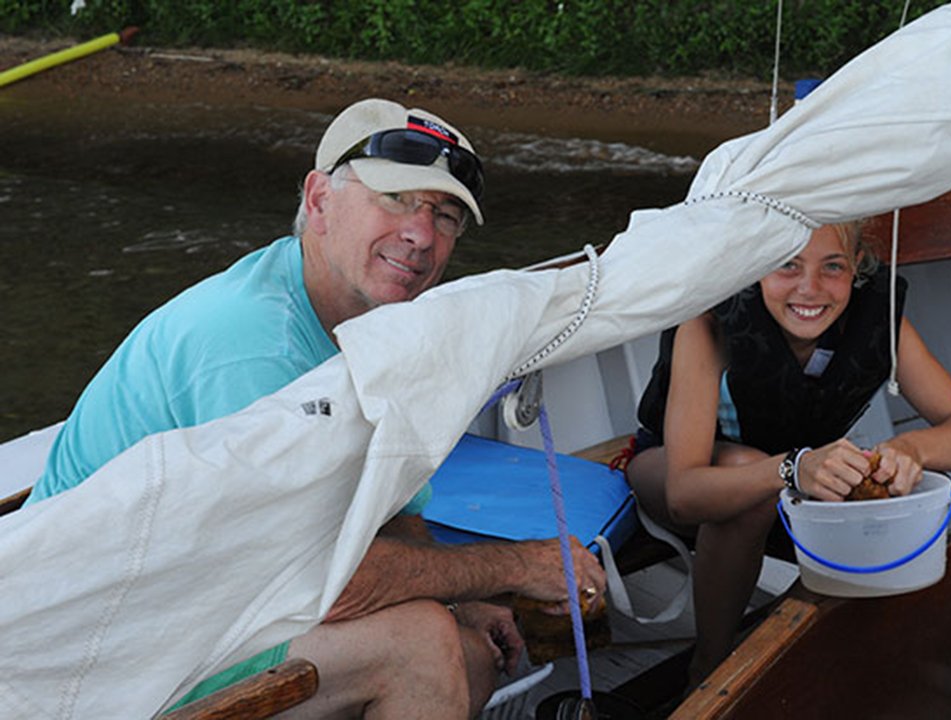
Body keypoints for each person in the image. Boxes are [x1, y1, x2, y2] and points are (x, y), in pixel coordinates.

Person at [25, 98, 606, 719]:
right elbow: (327, 587)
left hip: (199, 600)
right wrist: (515, 566)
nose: (420, 235)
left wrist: (465, 601)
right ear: (319, 199)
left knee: (470, 651)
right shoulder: (252, 343)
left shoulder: (371, 327)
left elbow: (388, 510)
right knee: (420, 648)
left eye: (444, 215)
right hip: (91, 648)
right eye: (396, 199)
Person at [623, 221, 951, 684]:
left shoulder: (878, 317)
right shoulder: (709, 323)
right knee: (752, 481)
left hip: (794, 482)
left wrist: (907, 448)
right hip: (669, 473)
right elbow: (684, 493)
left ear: (858, 266)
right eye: (787, 265)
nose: (810, 289)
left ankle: (785, 644)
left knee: (878, 492)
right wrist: (792, 468)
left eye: (833, 267)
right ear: (754, 266)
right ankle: (711, 665)